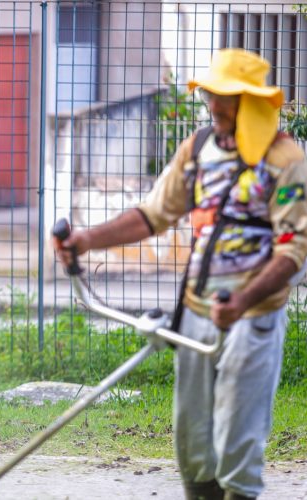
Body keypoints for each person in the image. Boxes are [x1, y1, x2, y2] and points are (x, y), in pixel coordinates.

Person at [54, 48, 307, 499]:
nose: (213, 104)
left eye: (224, 97)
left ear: (250, 101)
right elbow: (153, 214)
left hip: (253, 316)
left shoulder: (284, 158)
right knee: (193, 443)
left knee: (238, 438)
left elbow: (294, 250)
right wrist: (86, 239)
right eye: (210, 95)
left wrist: (242, 302)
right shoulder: (197, 149)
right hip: (196, 310)